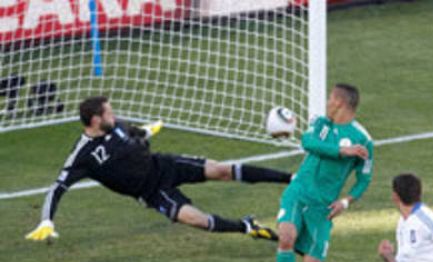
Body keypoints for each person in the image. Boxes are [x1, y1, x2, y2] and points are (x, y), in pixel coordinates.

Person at [25, 96, 288, 242]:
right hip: (151, 192)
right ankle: (247, 227)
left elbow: (135, 133)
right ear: (95, 120)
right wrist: (46, 220)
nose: (114, 117)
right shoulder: (81, 155)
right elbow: (57, 187)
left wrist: (147, 131)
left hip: (163, 165)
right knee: (197, 220)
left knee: (221, 170)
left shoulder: (117, 125)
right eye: (109, 114)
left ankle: (290, 178)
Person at [275, 84, 374, 262]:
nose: (327, 102)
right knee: (286, 237)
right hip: (298, 193)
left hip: (323, 208)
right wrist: (341, 151)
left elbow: (364, 178)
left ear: (340, 103)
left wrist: (346, 202)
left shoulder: (363, 139)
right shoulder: (321, 124)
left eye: (330, 98)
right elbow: (308, 143)